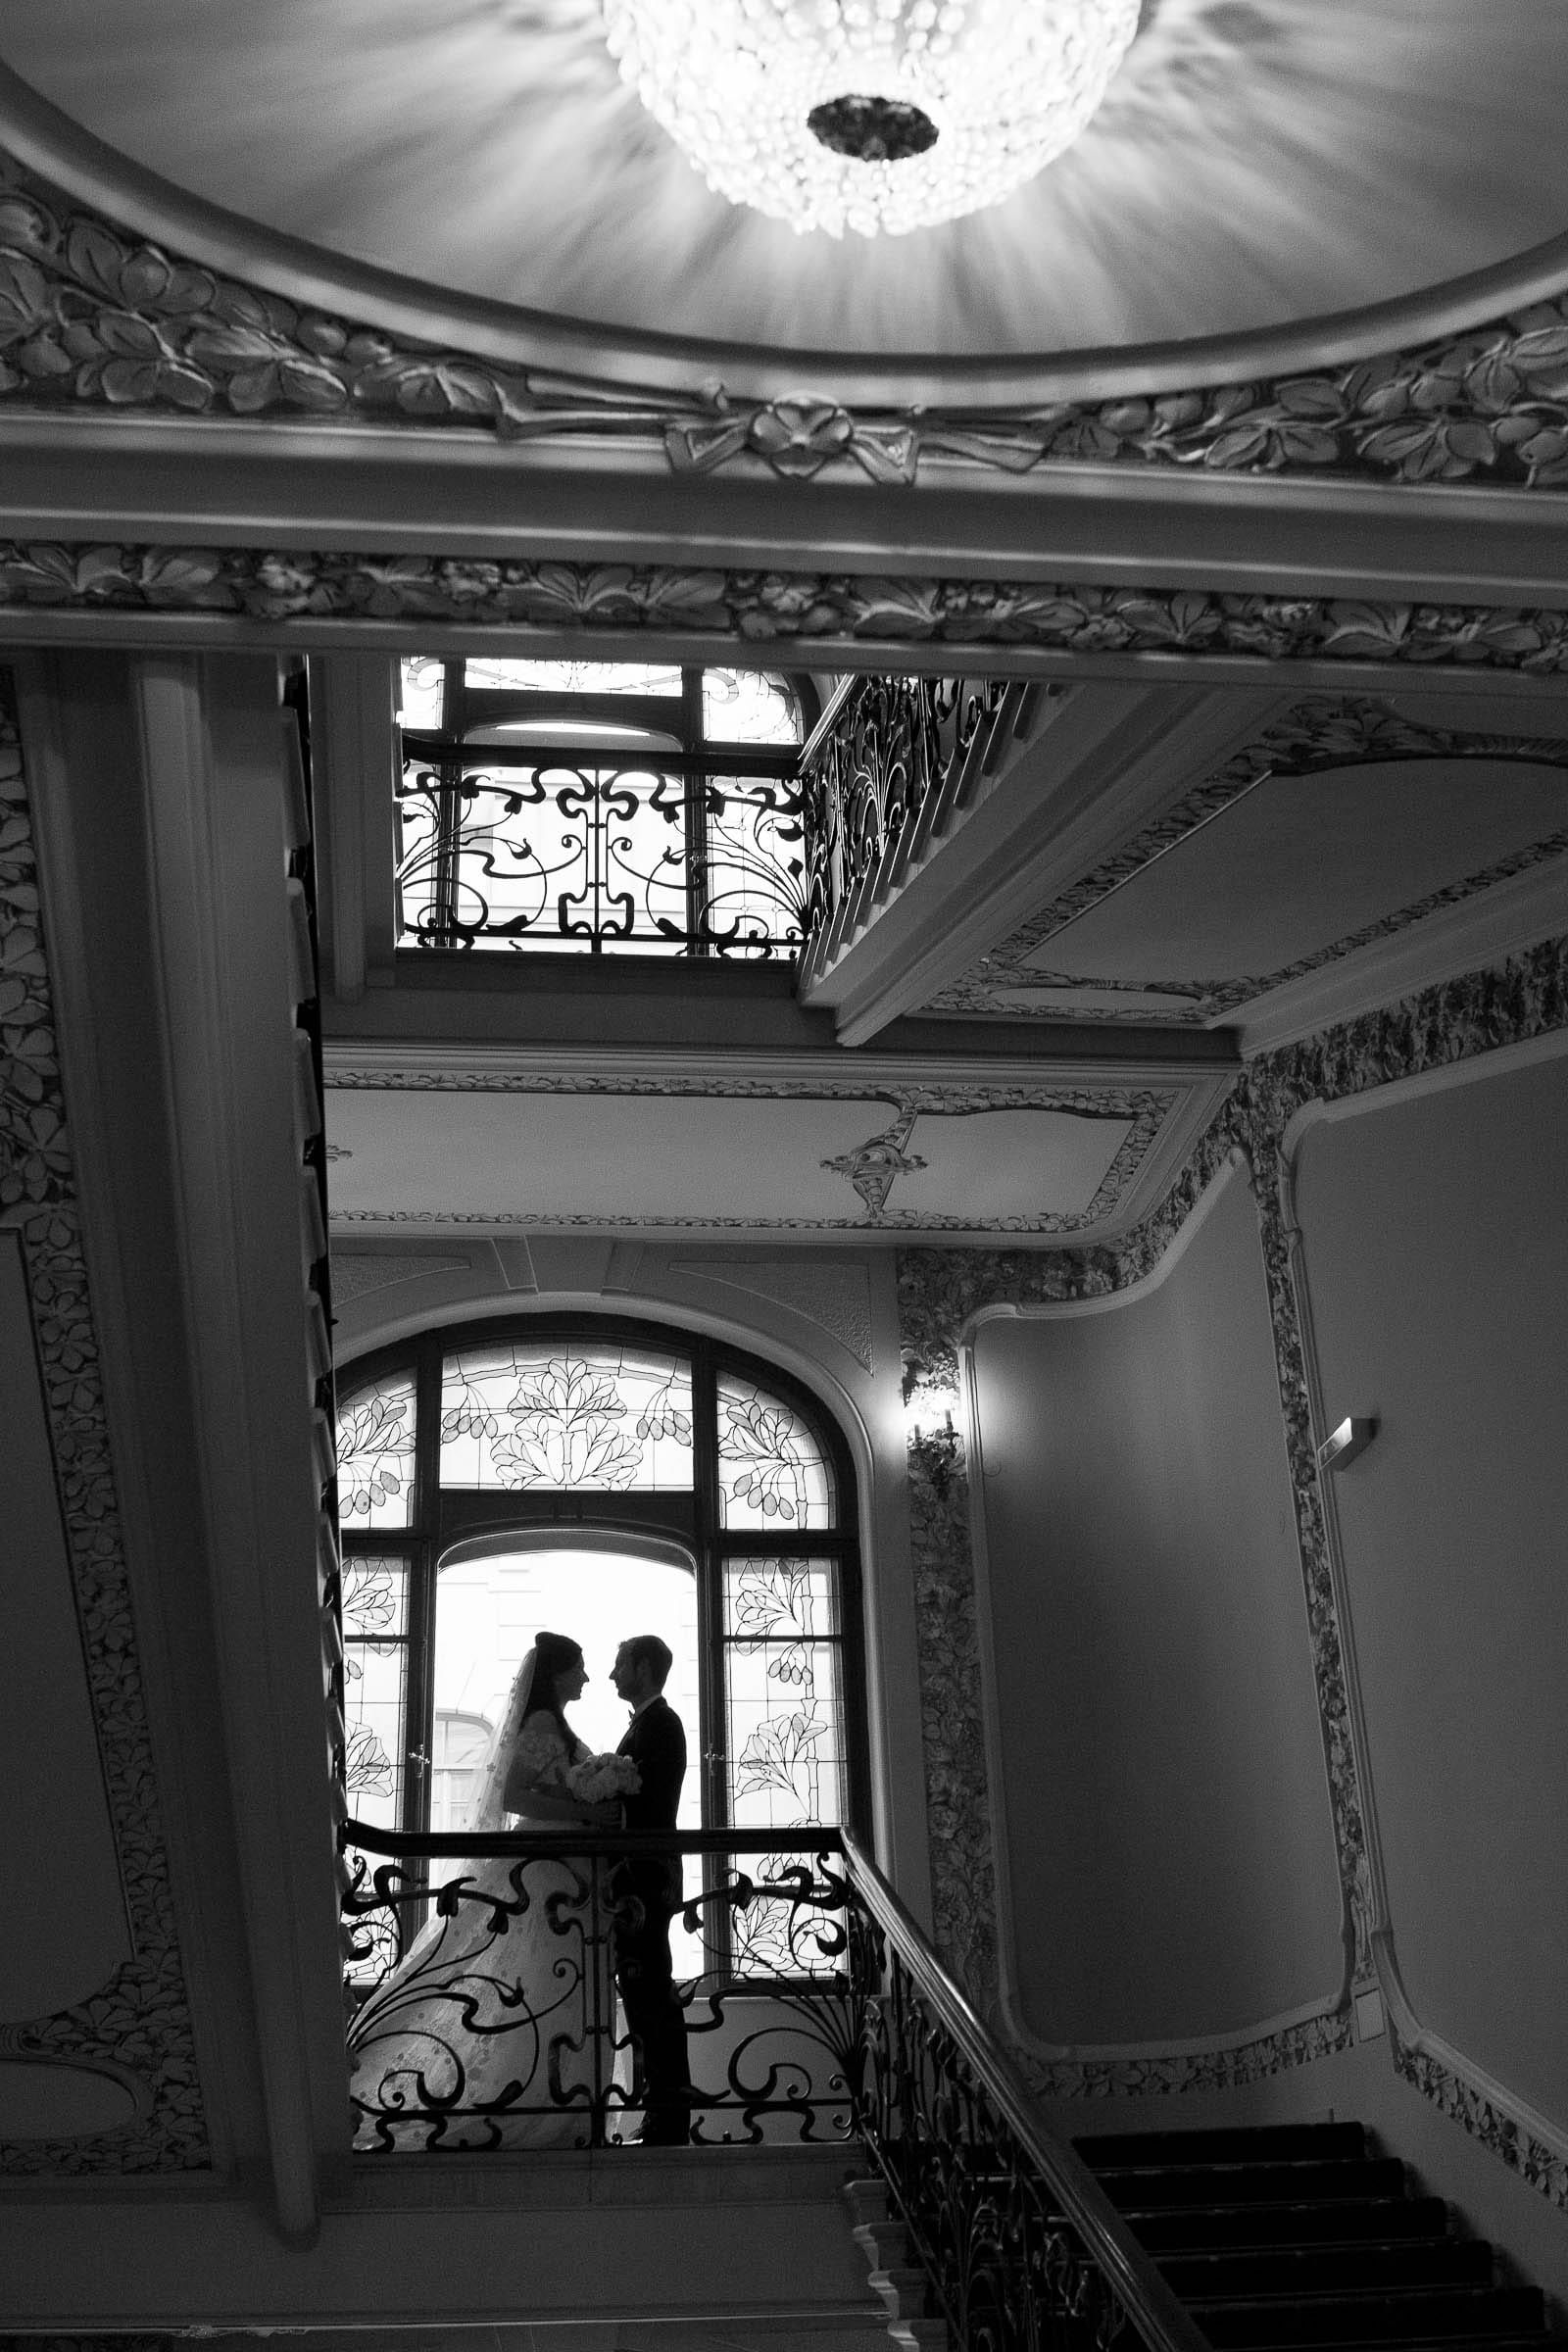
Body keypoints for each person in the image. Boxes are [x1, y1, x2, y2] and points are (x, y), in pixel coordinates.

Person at [347, 1630, 635, 2149]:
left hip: (570, 1868)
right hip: (548, 1871)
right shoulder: (544, 1722)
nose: (588, 1677)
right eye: (579, 1668)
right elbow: (516, 1794)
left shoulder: (555, 1723)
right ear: (556, 1673)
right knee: (540, 1976)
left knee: (556, 1979)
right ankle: (545, 2105)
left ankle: (565, 2106)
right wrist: (585, 1810)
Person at [611, 1634, 695, 2146]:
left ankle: (668, 2113)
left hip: (646, 1879)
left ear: (643, 1667)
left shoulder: (662, 1724)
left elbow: (648, 1802)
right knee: (641, 1993)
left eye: (621, 1664)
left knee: (652, 1993)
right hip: (636, 1877)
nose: (613, 1674)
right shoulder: (646, 1724)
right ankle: (662, 2109)